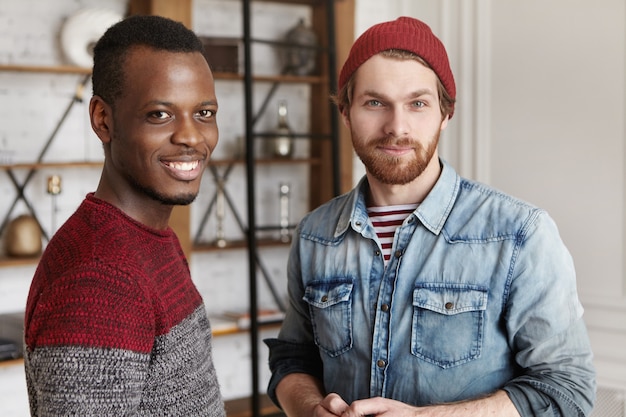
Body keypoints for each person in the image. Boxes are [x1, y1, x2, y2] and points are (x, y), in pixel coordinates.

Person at [265, 16, 596, 417]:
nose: (396, 127)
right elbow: (293, 358)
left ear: (445, 112)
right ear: (346, 111)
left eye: (417, 103)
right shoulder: (314, 235)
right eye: (375, 102)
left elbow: (567, 391)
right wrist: (308, 407)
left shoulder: (520, 234)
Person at [23, 15, 225, 416]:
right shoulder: (100, 280)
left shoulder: (149, 237)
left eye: (204, 113)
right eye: (159, 114)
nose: (191, 136)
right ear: (103, 120)